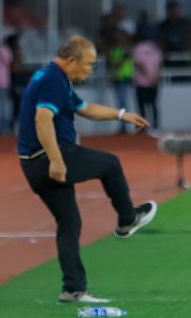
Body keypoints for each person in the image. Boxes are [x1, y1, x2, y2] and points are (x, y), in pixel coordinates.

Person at [17, 35, 158, 303]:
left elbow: (85, 109)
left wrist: (121, 115)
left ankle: (73, 289)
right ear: (71, 60)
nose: (91, 69)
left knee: (69, 224)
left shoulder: (53, 77)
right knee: (111, 164)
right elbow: (42, 118)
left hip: (31, 165)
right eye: (89, 64)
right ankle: (127, 219)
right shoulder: (53, 80)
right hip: (49, 157)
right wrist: (57, 160)